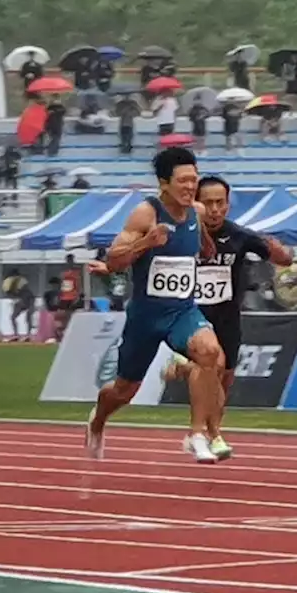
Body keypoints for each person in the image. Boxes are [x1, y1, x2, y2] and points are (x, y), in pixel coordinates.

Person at [85, 147, 224, 463]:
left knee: (209, 352)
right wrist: (147, 242)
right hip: (146, 317)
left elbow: (204, 247)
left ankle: (197, 434)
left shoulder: (197, 212)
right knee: (124, 390)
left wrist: (205, 248)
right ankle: (98, 420)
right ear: (164, 184)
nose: (190, 186)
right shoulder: (145, 214)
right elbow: (114, 260)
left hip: (182, 311)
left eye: (194, 179)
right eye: (183, 181)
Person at [162, 176, 293, 460]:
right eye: (207, 202)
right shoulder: (182, 235)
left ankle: (206, 425)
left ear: (228, 205)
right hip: (193, 318)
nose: (214, 209)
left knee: (223, 381)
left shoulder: (240, 236)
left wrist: (281, 252)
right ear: (195, 203)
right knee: (215, 364)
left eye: (220, 202)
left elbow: (284, 259)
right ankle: (212, 435)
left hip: (228, 318)